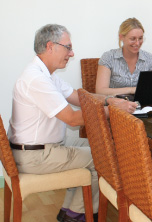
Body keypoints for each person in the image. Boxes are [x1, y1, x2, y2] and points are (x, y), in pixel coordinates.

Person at [7, 24, 138, 222]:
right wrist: (112, 110)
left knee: (105, 146)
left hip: (44, 147)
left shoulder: (46, 74)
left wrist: (109, 100)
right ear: (51, 46)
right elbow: (73, 119)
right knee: (102, 158)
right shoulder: (36, 79)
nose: (71, 53)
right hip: (35, 155)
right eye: (68, 47)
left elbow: (79, 97)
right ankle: (78, 215)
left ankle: (69, 211)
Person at [95, 17, 152, 95]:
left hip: (142, 105)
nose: (137, 43)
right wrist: (131, 90)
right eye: (132, 39)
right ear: (121, 37)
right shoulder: (108, 57)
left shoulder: (149, 58)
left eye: (140, 38)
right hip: (115, 106)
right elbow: (101, 91)